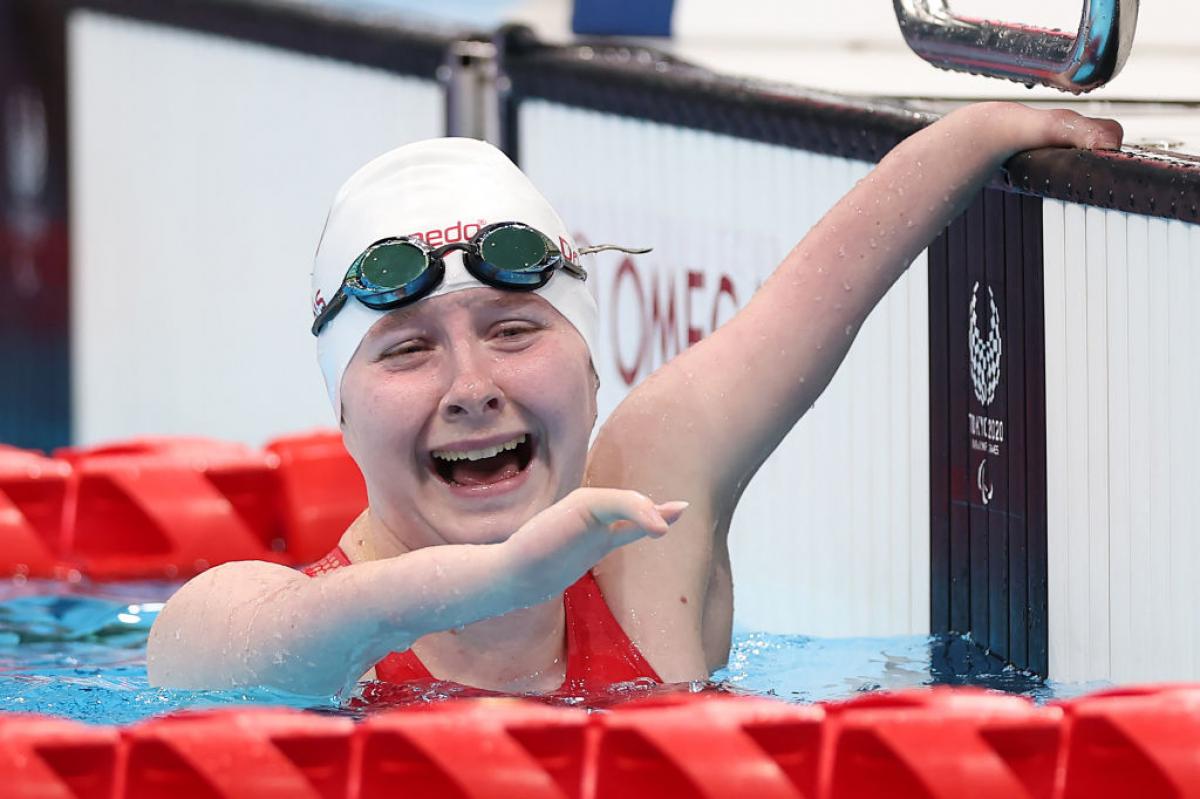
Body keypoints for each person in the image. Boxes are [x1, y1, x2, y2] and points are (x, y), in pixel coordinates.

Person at [146, 102, 1121, 697]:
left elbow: (807, 303)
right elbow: (223, 655)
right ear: (343, 412)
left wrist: (982, 134)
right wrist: (495, 581)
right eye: (406, 351)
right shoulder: (238, 620)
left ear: (589, 366)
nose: (473, 388)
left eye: (516, 329)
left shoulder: (651, 521)